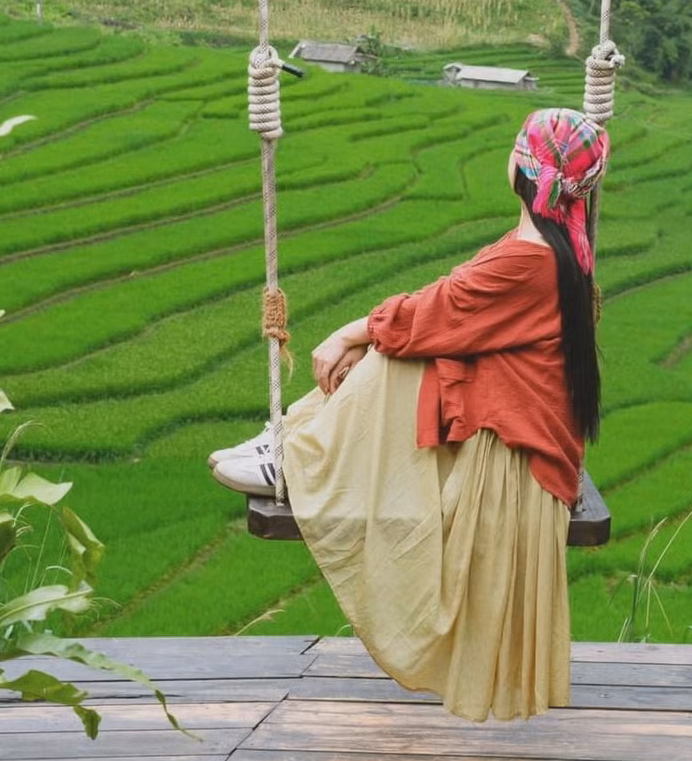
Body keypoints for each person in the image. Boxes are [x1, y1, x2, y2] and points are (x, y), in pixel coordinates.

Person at [210, 106, 606, 722]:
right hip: (512, 419)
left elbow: (440, 308)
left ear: (524, 170)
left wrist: (354, 332)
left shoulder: (529, 259)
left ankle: (294, 457)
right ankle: (292, 440)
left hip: (516, 452)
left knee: (402, 356)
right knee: (413, 349)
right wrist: (372, 331)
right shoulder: (553, 246)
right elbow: (448, 307)